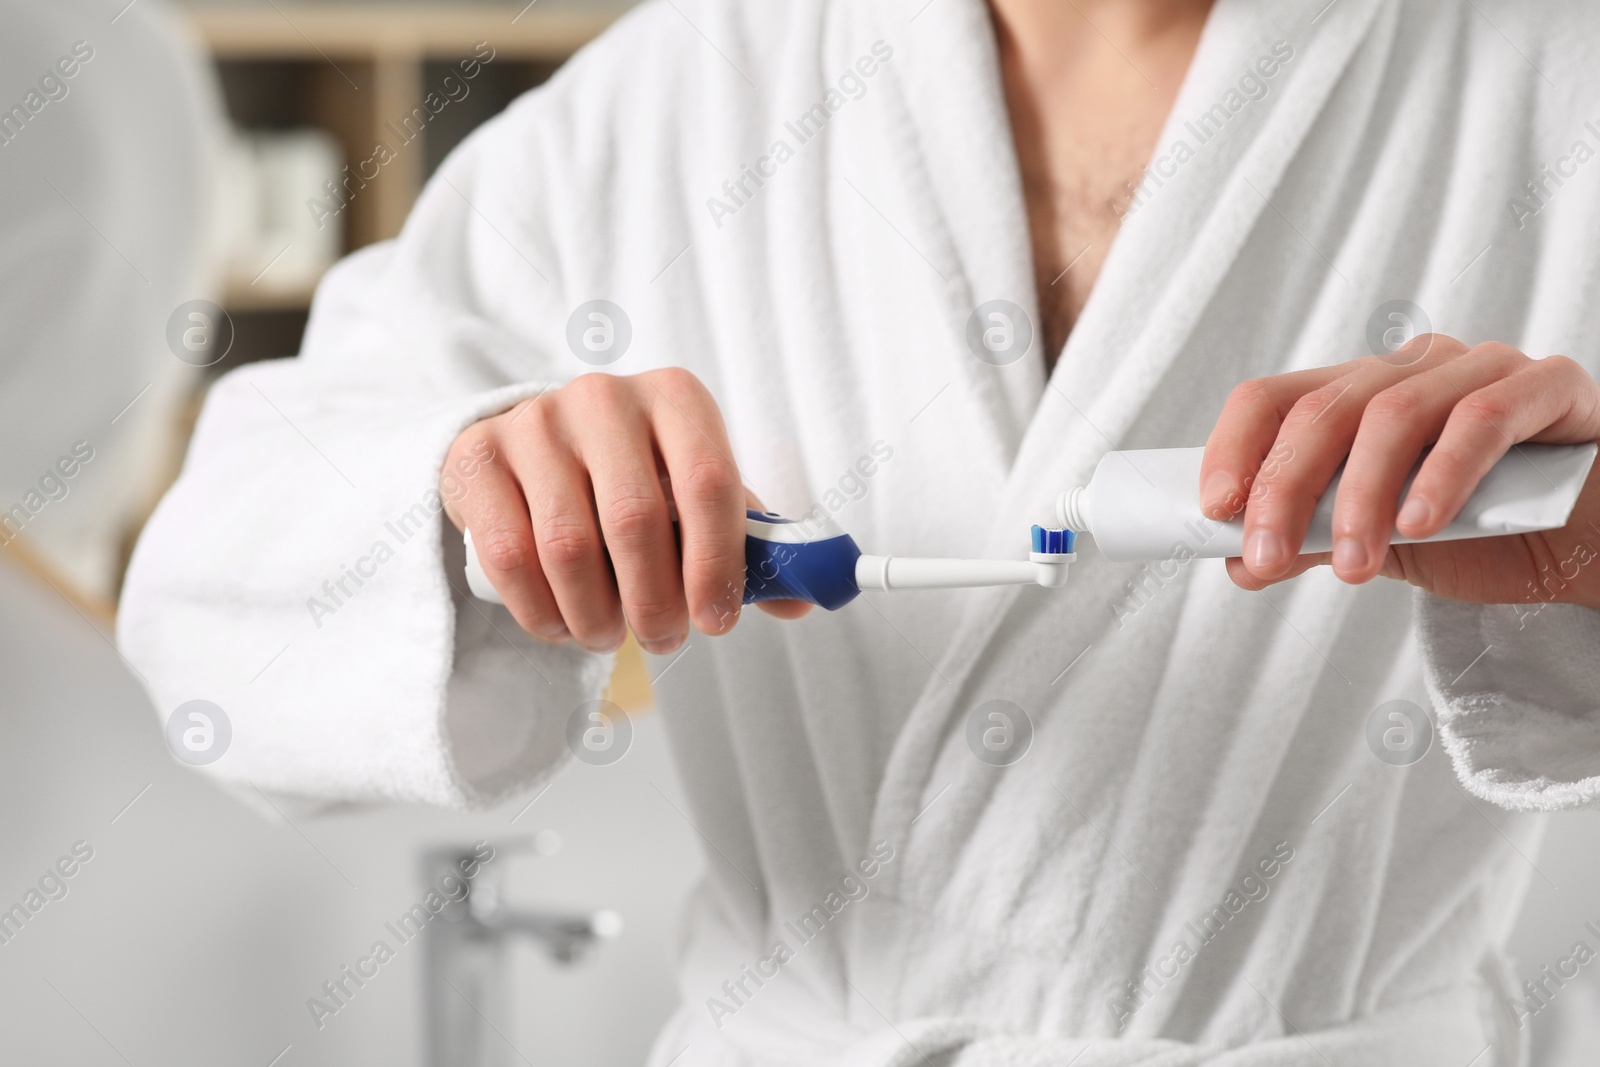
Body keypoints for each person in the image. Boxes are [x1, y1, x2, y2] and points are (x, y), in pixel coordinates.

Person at [120, 0, 1600, 1062]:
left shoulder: (1557, 85)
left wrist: (1586, 544)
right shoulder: (675, 100)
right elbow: (210, 595)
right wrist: (469, 487)